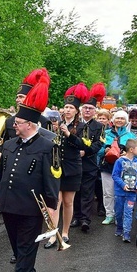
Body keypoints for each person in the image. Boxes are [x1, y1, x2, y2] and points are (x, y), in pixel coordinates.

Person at [0, 69, 58, 272]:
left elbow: (51, 179)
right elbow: (0, 174)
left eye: (18, 123)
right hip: (8, 203)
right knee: (16, 243)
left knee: (27, 244)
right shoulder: (9, 145)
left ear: (30, 124)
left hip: (31, 206)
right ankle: (29, 271)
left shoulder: (47, 146)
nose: (13, 125)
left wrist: (50, 205)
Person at [44, 83, 85, 248]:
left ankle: (65, 232)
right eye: (65, 107)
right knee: (56, 201)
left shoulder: (82, 127)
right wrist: (53, 132)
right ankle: (53, 234)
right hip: (56, 167)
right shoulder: (55, 123)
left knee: (68, 202)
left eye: (70, 107)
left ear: (76, 111)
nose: (67, 110)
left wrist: (69, 135)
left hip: (73, 168)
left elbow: (84, 145)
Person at [71, 83, 105, 233]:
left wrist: (87, 151)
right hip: (74, 164)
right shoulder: (75, 124)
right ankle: (76, 216)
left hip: (90, 164)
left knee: (87, 192)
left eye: (90, 108)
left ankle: (85, 219)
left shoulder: (99, 126)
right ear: (81, 109)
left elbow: (100, 143)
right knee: (75, 191)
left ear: (95, 110)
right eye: (85, 108)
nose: (87, 110)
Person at [98, 110, 137, 225]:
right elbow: (97, 149)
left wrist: (127, 154)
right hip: (107, 166)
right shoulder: (105, 133)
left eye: (122, 118)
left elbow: (136, 152)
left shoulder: (130, 136)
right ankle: (109, 214)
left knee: (121, 192)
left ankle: (120, 215)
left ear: (126, 121)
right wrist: (104, 150)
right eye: (117, 118)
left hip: (124, 168)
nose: (119, 120)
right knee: (108, 192)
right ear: (113, 120)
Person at [112, 139, 137, 243]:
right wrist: (122, 185)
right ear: (131, 149)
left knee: (128, 212)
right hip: (120, 192)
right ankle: (119, 228)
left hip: (132, 193)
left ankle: (126, 233)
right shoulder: (120, 161)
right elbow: (115, 175)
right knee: (119, 212)